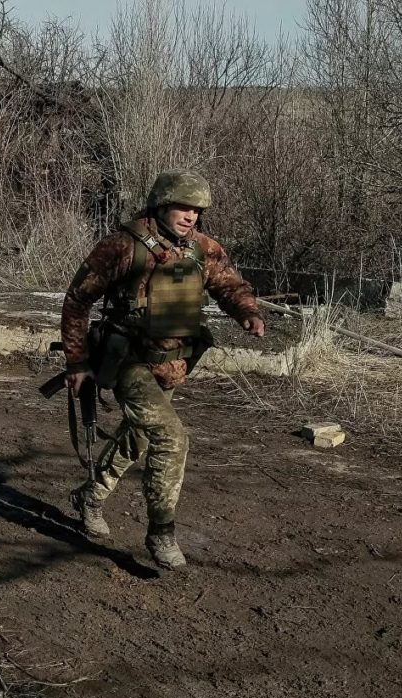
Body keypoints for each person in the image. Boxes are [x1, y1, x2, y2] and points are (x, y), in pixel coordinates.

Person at [60, 169, 265, 569]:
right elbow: (76, 301)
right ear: (161, 204)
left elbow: (229, 285)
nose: (190, 216)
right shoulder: (123, 246)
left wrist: (247, 312)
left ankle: (90, 496)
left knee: (136, 439)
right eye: (182, 207)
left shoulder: (202, 249)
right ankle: (161, 533)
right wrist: (77, 360)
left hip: (171, 365)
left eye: (196, 210)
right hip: (127, 362)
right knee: (172, 438)